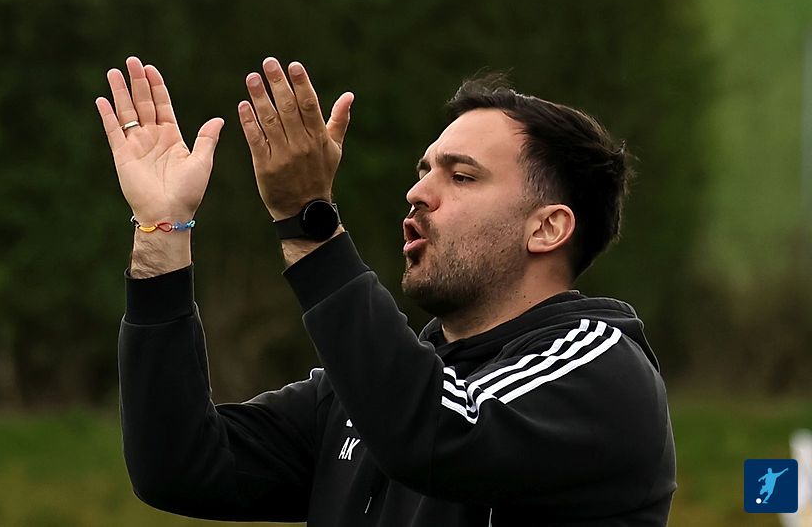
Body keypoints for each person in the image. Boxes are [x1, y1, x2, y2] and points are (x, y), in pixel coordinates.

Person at [95, 55, 677, 526]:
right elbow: (178, 466)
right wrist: (162, 233)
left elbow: (431, 432)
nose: (417, 193)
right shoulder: (366, 396)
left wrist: (308, 222)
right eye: (424, 171)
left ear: (547, 228)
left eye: (462, 176)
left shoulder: (598, 370)